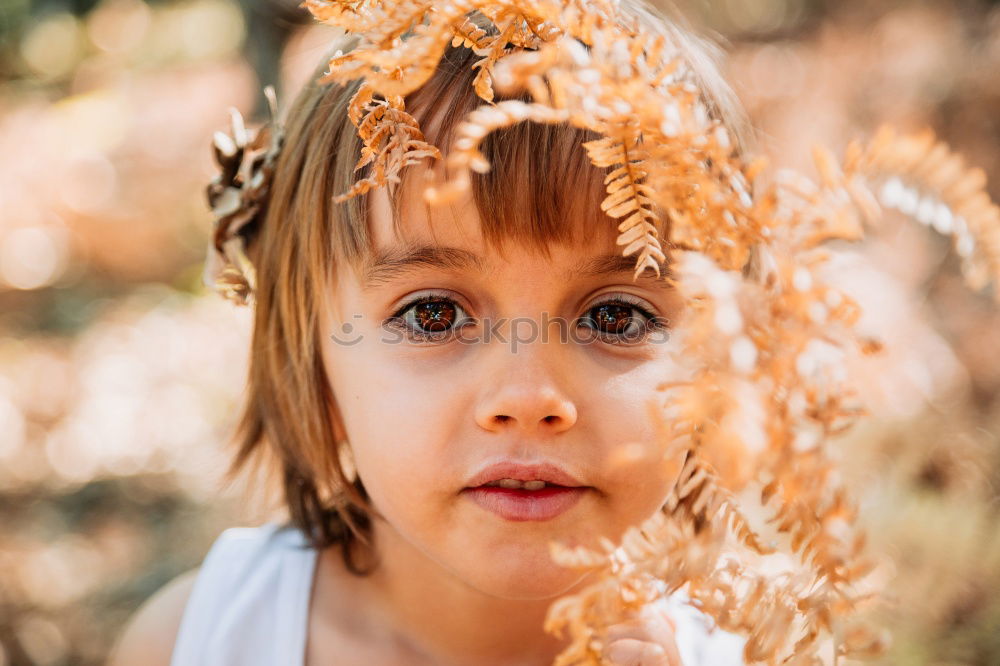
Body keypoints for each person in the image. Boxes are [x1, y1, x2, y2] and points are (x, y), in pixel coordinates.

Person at [109, 1, 751, 664]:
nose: (529, 395)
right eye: (433, 315)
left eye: (616, 317)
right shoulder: (202, 639)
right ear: (310, 358)